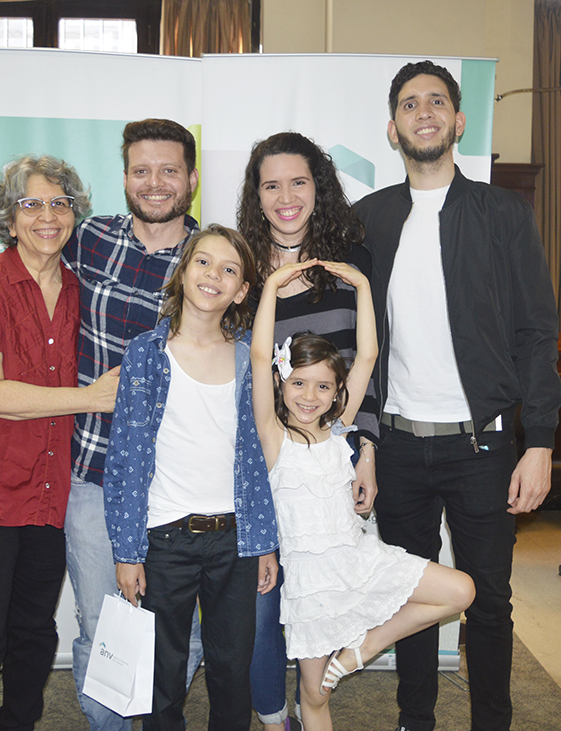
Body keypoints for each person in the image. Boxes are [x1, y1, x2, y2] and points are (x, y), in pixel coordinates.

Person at [352, 61, 561, 731]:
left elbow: (535, 333)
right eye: (410, 103)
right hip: (401, 448)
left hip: (484, 445)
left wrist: (540, 443)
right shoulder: (369, 220)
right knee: (410, 593)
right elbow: (348, 337)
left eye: (436, 101)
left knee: (490, 602)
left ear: (458, 120)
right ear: (393, 128)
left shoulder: (503, 214)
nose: (424, 111)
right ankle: (416, 718)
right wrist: (363, 441)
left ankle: (490, 722)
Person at [0, 154, 120, 731]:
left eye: (60, 204)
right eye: (31, 204)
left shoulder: (83, 291)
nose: (47, 216)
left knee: (35, 630)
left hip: (46, 492)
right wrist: (88, 398)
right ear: (9, 220)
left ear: (74, 215)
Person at [250, 258, 475, 731]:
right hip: (311, 586)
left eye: (324, 386)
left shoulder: (338, 429)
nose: (309, 396)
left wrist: (363, 286)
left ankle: (368, 647)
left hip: (360, 562)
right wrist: (271, 284)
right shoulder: (273, 437)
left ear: (337, 394)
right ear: (280, 382)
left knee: (462, 589)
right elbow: (256, 356)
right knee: (314, 696)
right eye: (298, 383)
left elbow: (368, 356)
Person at [103, 224, 280, 731]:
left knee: (231, 670)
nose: (214, 276)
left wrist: (264, 541)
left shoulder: (252, 359)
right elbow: (126, 461)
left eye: (230, 270)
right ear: (183, 272)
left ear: (243, 290)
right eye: (203, 262)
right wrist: (127, 551)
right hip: (164, 540)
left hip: (236, 540)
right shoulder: (145, 353)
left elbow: (259, 458)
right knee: (164, 671)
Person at [60, 118, 201, 731]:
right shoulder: (88, 238)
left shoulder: (212, 257)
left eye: (169, 170)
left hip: (180, 483)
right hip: (92, 469)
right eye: (141, 170)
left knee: (184, 631)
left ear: (192, 179)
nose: (155, 183)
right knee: (101, 624)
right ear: (124, 179)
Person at [236, 131, 380, 731]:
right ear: (257, 194)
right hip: (262, 455)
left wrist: (364, 449)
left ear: (318, 188)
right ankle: (276, 717)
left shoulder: (351, 264)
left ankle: (312, 698)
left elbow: (371, 363)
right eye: (272, 185)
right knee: (264, 600)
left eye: (299, 182)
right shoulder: (239, 266)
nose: (286, 197)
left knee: (324, 591)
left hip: (332, 452)